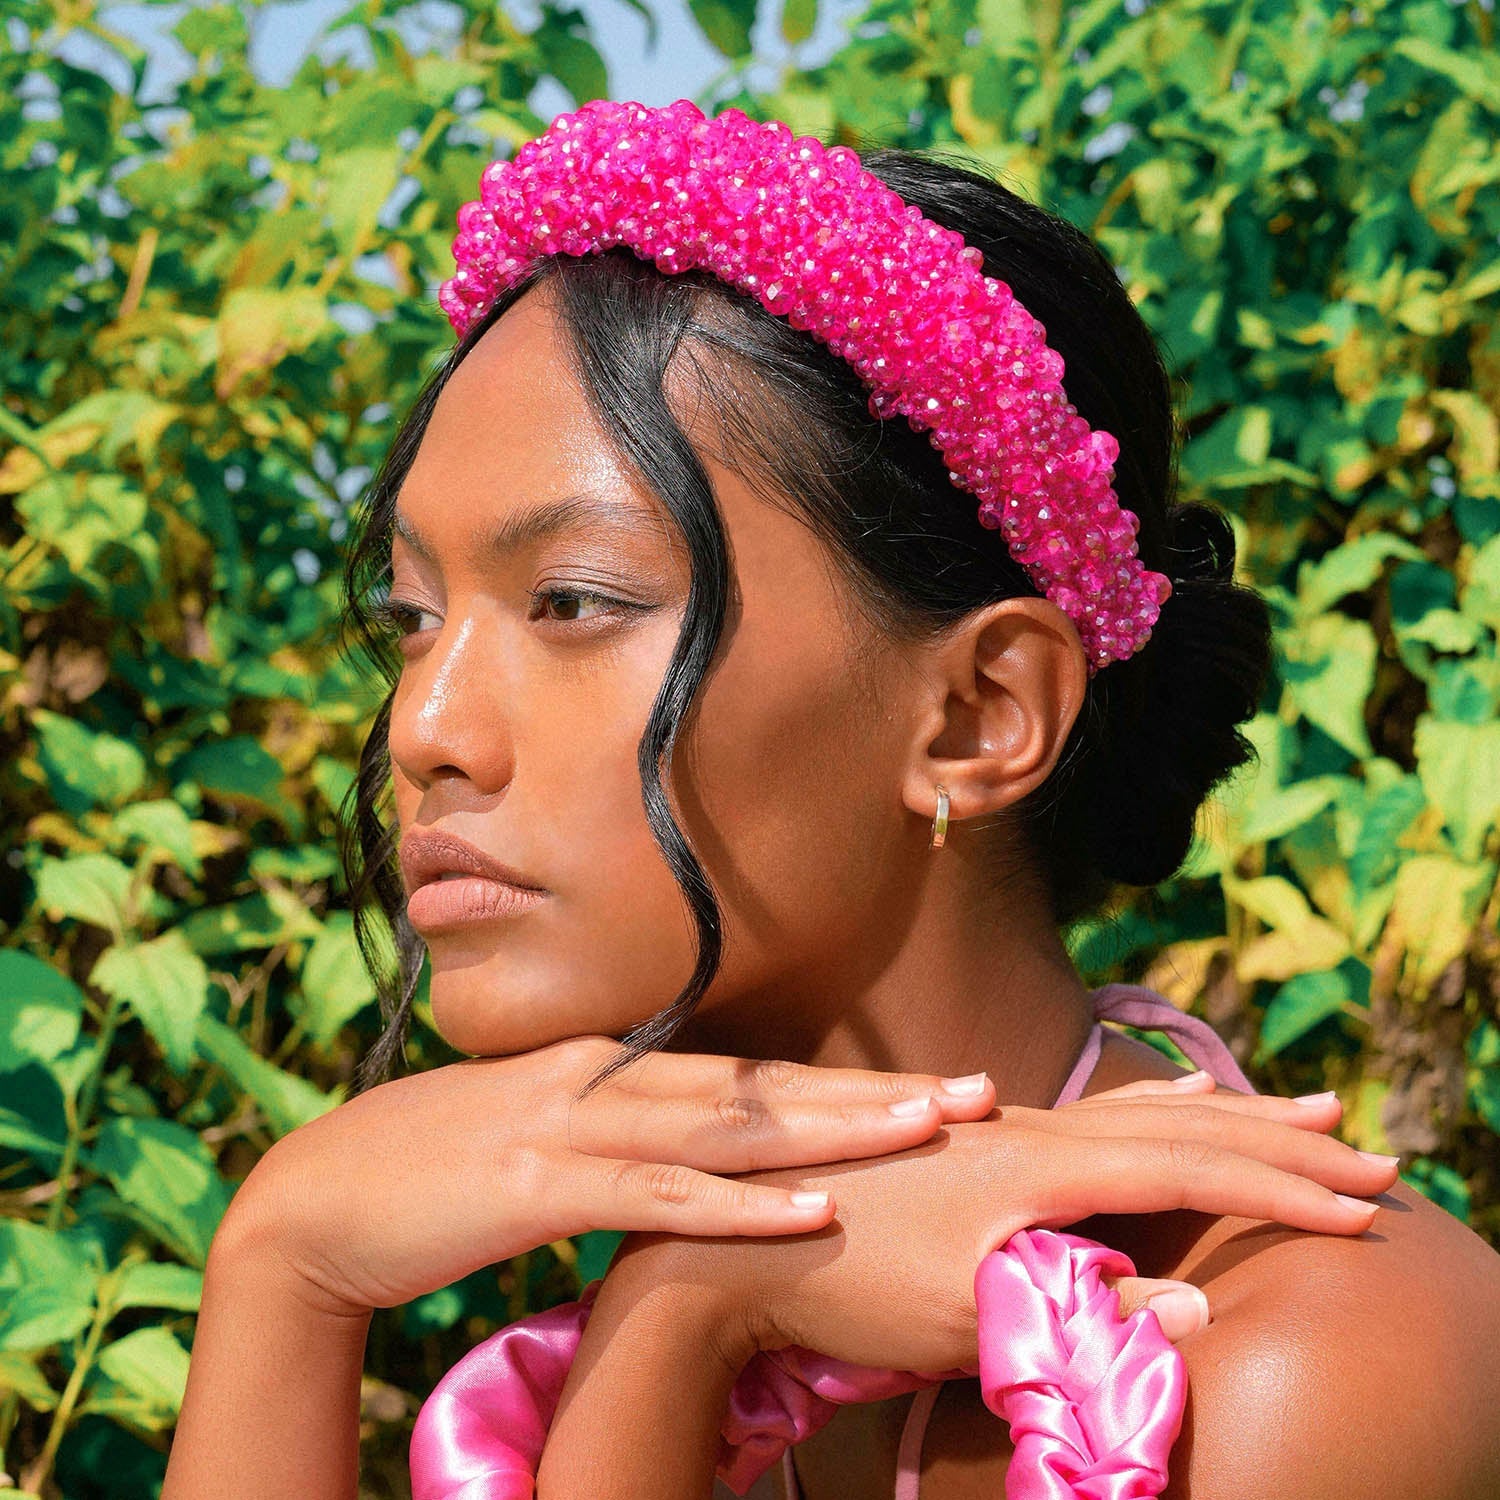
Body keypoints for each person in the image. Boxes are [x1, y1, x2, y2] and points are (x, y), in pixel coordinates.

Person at [162, 101, 1500, 1499]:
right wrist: (283, 1264)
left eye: (574, 600)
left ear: (979, 714)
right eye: (412, 617)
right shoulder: (693, 1315)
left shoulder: (1305, 1365)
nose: (424, 729)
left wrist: (682, 1317)